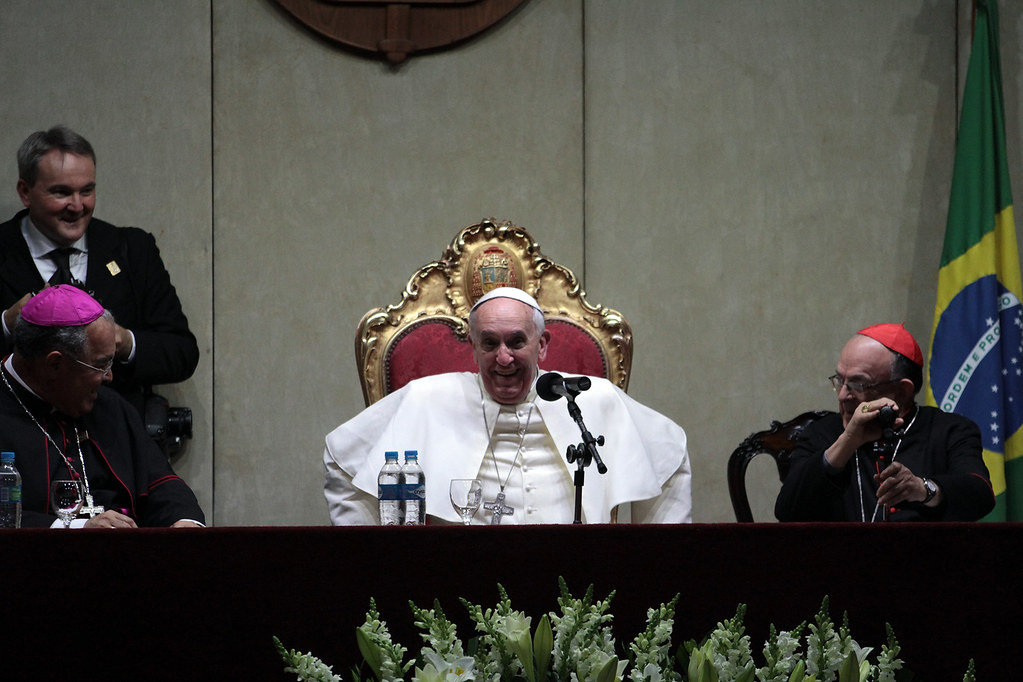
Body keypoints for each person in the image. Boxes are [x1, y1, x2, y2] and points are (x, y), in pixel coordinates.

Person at [323, 287, 692, 525]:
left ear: (542, 344)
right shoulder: (429, 398)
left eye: (517, 342)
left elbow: (670, 454)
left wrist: (647, 566)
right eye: (489, 343)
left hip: (576, 590)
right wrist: (375, 568)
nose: (504, 358)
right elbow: (342, 455)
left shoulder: (588, 397)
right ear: (472, 347)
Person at [0, 126, 199, 414]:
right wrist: (7, 324)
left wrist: (120, 340)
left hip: (111, 436)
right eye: (61, 192)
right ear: (25, 192)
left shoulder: (133, 249)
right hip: (17, 433)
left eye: (87, 191)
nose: (78, 206)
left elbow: (181, 353)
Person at [0, 285, 204, 528]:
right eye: (101, 364)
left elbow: (161, 482)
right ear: (55, 363)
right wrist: (77, 529)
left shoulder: (110, 406)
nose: (109, 377)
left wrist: (185, 521)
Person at [775, 323, 994, 522]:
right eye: (840, 380)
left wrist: (922, 489)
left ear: (903, 390)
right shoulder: (821, 433)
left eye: (858, 384)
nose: (843, 395)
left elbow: (980, 494)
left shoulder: (949, 430)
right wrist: (847, 442)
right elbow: (787, 511)